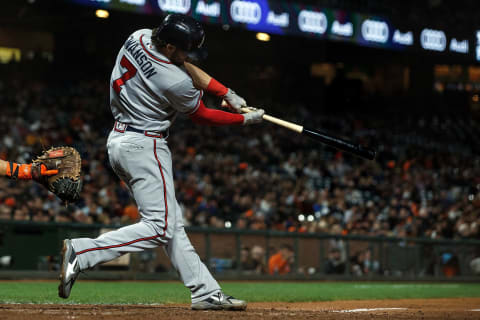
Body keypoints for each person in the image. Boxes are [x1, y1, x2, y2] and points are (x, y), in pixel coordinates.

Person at [57, 14, 264, 311]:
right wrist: (243, 119)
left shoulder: (139, 35)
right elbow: (203, 115)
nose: (188, 55)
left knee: (171, 224)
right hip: (145, 145)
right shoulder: (176, 82)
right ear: (168, 46)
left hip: (119, 141)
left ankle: (205, 291)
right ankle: (83, 251)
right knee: (161, 227)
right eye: (183, 49)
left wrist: (224, 92)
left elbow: (185, 66)